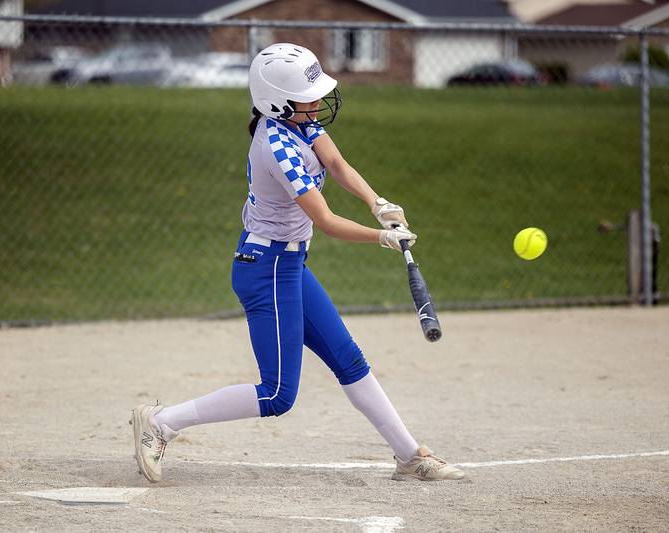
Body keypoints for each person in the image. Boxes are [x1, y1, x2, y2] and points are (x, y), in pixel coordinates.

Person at [131, 43, 463, 483]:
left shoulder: (301, 123)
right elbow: (324, 220)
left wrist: (377, 202)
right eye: (308, 95)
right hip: (265, 267)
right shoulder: (276, 146)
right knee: (277, 394)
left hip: (288, 266)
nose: (318, 102)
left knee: (349, 360)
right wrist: (381, 236)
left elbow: (337, 163)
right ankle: (160, 423)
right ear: (278, 101)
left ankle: (409, 455)